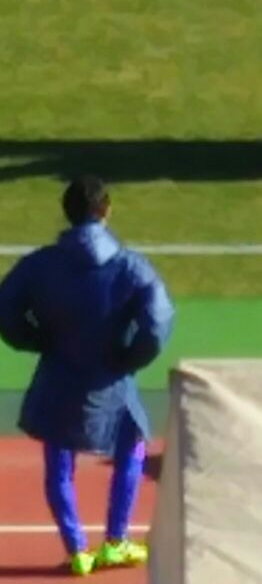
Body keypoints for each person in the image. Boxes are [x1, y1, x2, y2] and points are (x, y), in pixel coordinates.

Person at [0, 177, 174, 577]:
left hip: (58, 375)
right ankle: (115, 541)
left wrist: (36, 339)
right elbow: (157, 322)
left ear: (67, 213)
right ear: (106, 209)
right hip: (114, 379)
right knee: (131, 449)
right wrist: (130, 358)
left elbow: (5, 309)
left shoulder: (39, 264)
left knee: (59, 462)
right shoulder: (131, 266)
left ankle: (77, 549)